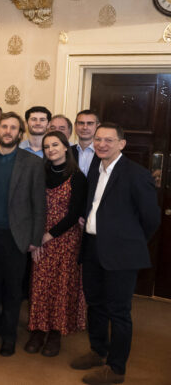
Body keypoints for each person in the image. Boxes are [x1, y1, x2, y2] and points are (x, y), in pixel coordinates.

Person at [72, 123, 160, 384]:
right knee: (95, 304)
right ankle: (98, 351)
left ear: (122, 144)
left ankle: (116, 368)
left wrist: (129, 242)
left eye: (109, 140)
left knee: (119, 312)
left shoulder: (137, 174)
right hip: (92, 249)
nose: (101, 144)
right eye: (98, 139)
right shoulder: (95, 171)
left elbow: (151, 219)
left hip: (121, 255)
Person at [0, 112, 46, 356]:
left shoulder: (34, 162)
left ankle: (9, 337)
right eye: (4, 126)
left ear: (20, 133)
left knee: (13, 292)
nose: (7, 131)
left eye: (13, 128)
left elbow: (39, 205)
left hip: (16, 236)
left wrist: (35, 240)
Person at [25, 131, 87, 357]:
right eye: (47, 146)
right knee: (40, 285)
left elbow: (74, 214)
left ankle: (54, 333)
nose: (51, 149)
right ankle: (38, 330)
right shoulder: (39, 172)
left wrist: (48, 236)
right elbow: (30, 204)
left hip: (65, 238)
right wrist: (36, 236)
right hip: (39, 234)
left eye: (55, 145)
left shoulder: (77, 177)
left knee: (61, 286)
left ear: (65, 147)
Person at [72, 110, 100, 176]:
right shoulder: (67, 152)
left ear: (98, 126)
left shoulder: (104, 152)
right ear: (75, 126)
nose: (85, 127)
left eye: (90, 123)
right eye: (81, 123)